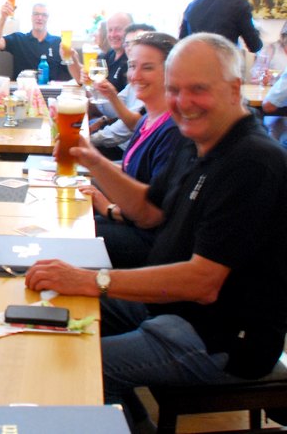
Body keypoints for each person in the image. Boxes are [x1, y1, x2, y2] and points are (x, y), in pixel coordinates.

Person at [26, 33, 287, 431]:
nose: (183, 102)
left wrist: (90, 280)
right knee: (51, 303)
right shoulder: (196, 139)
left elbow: (202, 283)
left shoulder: (253, 162)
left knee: (73, 368)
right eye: (174, 90)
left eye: (198, 89)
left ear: (235, 89)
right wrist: (91, 159)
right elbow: (148, 211)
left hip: (218, 337)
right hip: (169, 309)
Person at [78, 32, 186, 269]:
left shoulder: (173, 130)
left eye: (147, 68)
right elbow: (130, 173)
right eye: (132, 66)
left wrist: (108, 208)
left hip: (150, 243)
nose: (135, 75)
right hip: (131, 222)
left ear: (172, 72)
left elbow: (153, 215)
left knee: (74, 235)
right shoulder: (147, 119)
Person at [89, 24, 152, 160]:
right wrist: (105, 93)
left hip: (126, 151)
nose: (131, 48)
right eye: (128, 43)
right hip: (123, 147)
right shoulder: (133, 80)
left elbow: (128, 127)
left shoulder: (149, 85)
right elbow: (112, 111)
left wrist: (89, 139)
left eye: (137, 42)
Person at [0, 2, 69, 81]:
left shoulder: (58, 42)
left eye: (44, 15)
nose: (40, 18)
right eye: (36, 14)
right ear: (31, 17)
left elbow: (70, 71)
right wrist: (3, 17)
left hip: (50, 87)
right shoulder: (18, 39)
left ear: (48, 18)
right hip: (22, 87)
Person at [66, 12, 134, 92]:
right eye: (110, 30)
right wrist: (87, 79)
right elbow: (90, 89)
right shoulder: (108, 55)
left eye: (118, 29)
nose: (113, 34)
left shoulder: (132, 61)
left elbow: (130, 99)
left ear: (131, 31)